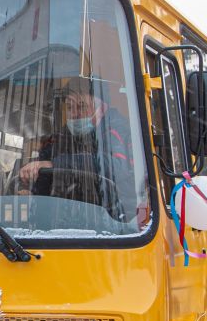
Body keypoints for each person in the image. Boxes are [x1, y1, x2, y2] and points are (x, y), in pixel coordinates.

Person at [16, 76, 135, 222]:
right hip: (69, 220)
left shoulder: (118, 129)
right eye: (70, 107)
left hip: (116, 221)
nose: (74, 114)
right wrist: (32, 186)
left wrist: (55, 164)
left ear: (101, 107)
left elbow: (117, 166)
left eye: (82, 106)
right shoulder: (61, 137)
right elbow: (45, 165)